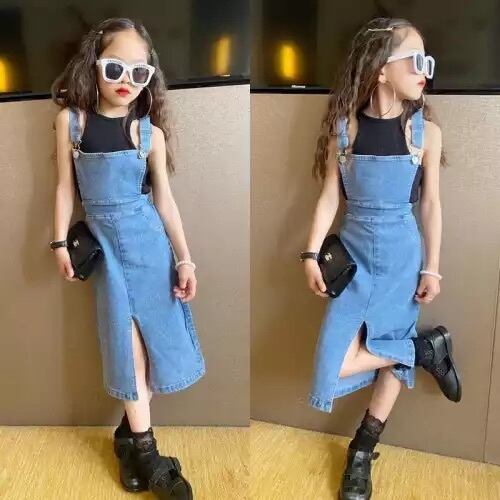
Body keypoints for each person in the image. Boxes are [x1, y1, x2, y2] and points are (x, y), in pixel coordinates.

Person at [301, 17, 462, 500]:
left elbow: (431, 205)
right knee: (331, 365)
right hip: (352, 257)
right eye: (415, 60)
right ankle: (423, 351)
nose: (425, 71)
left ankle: (362, 450)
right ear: (379, 68)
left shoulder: (425, 133)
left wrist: (432, 266)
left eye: (427, 62)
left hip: (401, 257)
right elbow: (329, 198)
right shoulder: (343, 131)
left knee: (389, 345)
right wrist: (310, 252)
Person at [49, 17, 205, 500]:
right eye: (115, 68)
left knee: (154, 350)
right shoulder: (71, 122)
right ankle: (150, 455)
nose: (126, 81)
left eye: (140, 73)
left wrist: (185, 259)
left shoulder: (149, 133)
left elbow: (165, 202)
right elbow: (64, 189)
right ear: (94, 64)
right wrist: (58, 243)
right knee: (125, 349)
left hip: (150, 249)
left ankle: (129, 441)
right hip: (107, 256)